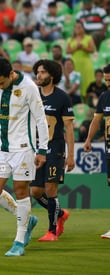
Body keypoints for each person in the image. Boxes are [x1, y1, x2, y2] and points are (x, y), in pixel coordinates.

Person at [0, 58, 49, 256]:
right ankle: (27, 218)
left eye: (2, 83)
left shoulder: (29, 87)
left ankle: (19, 241)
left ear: (11, 73)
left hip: (22, 147)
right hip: (0, 147)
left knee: (21, 191)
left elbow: (40, 118)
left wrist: (42, 149)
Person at [30, 59, 74, 241]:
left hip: (55, 148)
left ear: (52, 75)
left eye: (43, 72)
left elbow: (69, 127)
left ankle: (52, 231)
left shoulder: (62, 97)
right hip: (37, 150)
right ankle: (60, 213)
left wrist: (71, 155)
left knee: (50, 188)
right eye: (37, 72)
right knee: (35, 192)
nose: (38, 76)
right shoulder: (32, 96)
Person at [83, 64, 110, 239]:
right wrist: (88, 139)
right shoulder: (105, 97)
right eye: (106, 79)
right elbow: (96, 120)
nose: (108, 83)